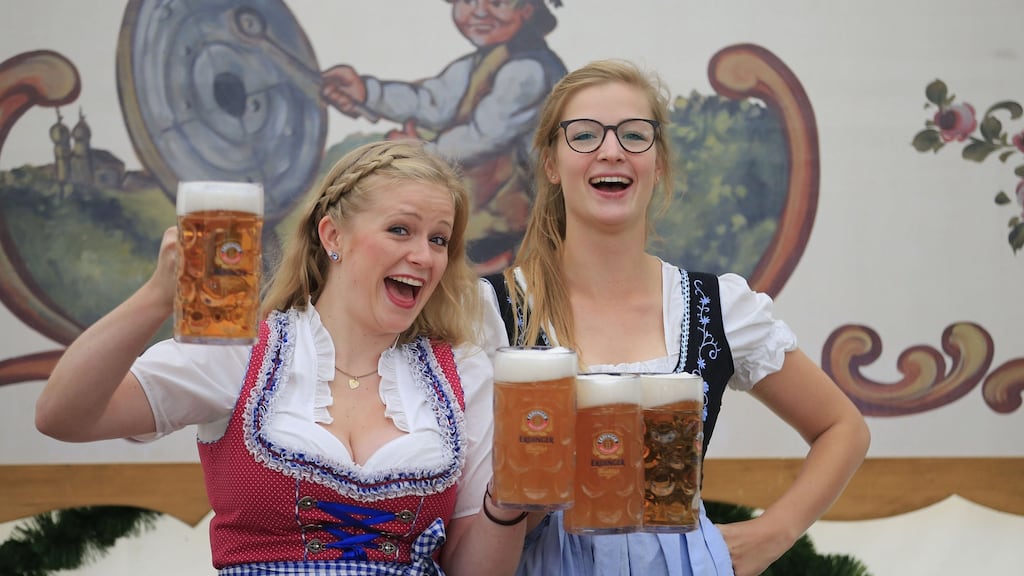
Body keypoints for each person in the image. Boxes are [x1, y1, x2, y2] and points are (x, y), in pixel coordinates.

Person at [35, 140, 528, 575]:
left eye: (438, 239)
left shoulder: (462, 373)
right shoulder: (241, 355)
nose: (425, 255)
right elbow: (64, 415)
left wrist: (508, 504)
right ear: (332, 235)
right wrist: (157, 295)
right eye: (401, 230)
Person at [482, 60, 871, 576]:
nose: (611, 150)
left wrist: (773, 533)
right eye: (583, 135)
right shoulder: (494, 310)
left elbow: (843, 427)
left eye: (635, 135)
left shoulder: (719, 307)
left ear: (658, 163)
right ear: (551, 163)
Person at [321, 0, 567, 273]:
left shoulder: (528, 70)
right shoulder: (480, 61)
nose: (480, 11)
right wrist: (366, 92)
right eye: (467, 1)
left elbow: (481, 137)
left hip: (503, 225)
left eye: (497, 3)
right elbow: (431, 101)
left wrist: (421, 152)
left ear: (527, 10)